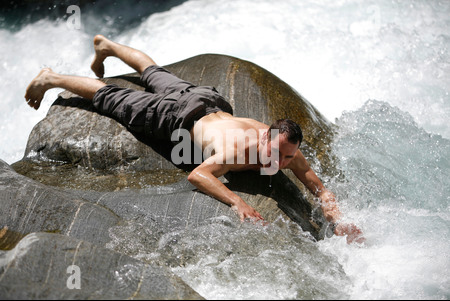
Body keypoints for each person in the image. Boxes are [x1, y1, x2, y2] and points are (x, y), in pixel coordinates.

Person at [25, 35, 363, 243]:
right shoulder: (238, 150)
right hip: (178, 114)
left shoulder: (285, 149)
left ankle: (107, 46)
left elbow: (318, 187)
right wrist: (238, 202)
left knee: (154, 72)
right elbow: (198, 174)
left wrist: (339, 220)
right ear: (264, 137)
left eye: (287, 158)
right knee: (111, 97)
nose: (280, 163)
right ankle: (51, 77)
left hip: (210, 99)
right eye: (274, 153)